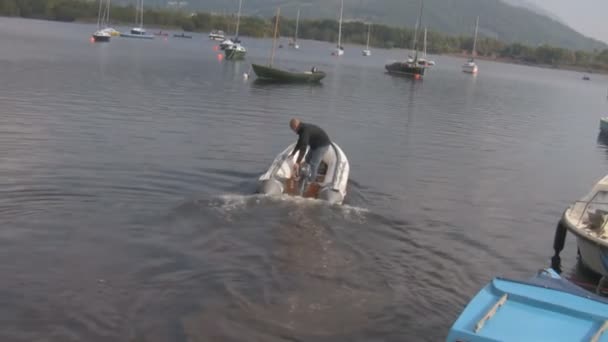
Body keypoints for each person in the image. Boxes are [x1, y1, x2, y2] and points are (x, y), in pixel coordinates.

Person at [289, 118, 331, 182]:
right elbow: (299, 143)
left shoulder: (304, 132)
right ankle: (305, 175)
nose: (294, 132)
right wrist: (293, 154)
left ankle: (311, 181)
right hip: (315, 144)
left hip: (322, 145)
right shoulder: (301, 129)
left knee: (313, 164)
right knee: (307, 159)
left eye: (293, 129)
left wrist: (297, 162)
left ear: (295, 127)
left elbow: (303, 149)